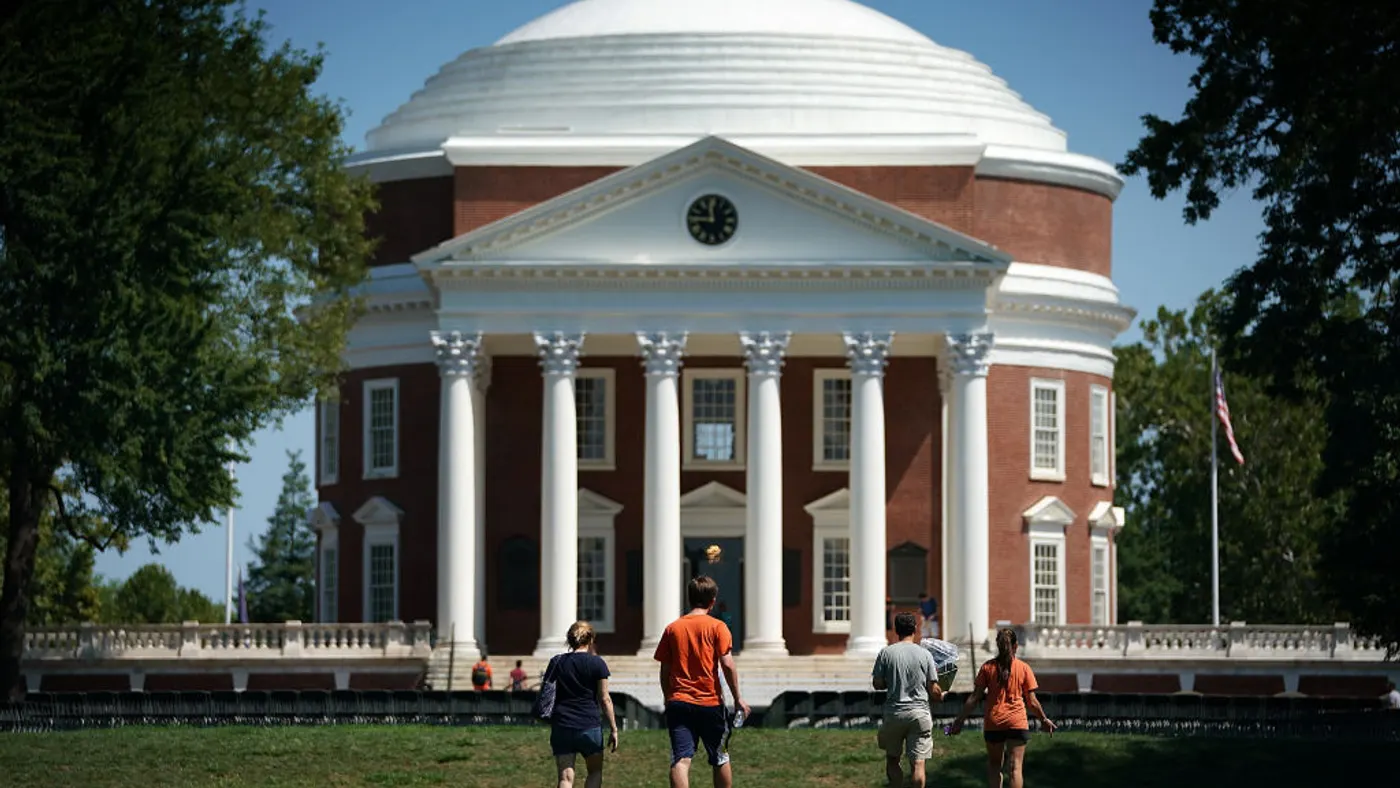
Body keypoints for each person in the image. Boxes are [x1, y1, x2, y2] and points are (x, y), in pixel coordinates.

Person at [654, 575, 751, 788]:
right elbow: (727, 664)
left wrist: (668, 697)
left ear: (689, 598)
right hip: (710, 702)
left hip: (679, 701)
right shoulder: (718, 627)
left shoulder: (673, 628)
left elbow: (664, 669)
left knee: (680, 759)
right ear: (713, 600)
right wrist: (738, 698)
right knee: (720, 757)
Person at [949, 628, 1056, 788]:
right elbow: (1032, 702)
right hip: (1017, 722)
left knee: (994, 766)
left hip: (994, 722)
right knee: (1015, 768)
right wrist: (1044, 720)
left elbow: (975, 697)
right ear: (1016, 646)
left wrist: (959, 721)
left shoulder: (987, 668)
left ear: (998, 646)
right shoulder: (1024, 668)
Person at [872, 611, 946, 788]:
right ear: (915, 629)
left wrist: (890, 681)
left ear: (896, 630)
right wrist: (940, 695)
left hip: (894, 712)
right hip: (919, 713)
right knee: (918, 763)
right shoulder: (925, 654)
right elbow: (933, 688)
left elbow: (877, 683)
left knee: (892, 759)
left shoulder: (886, 653)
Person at [544, 621, 619, 788]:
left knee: (565, 778)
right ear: (590, 639)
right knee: (595, 772)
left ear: (569, 640)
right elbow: (604, 698)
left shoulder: (557, 662)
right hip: (589, 725)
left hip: (562, 724)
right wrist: (614, 728)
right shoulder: (597, 663)